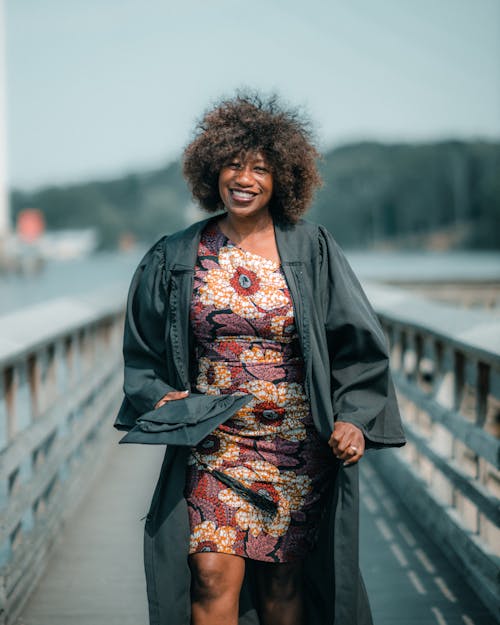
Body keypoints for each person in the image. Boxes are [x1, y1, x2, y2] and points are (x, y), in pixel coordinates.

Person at [114, 93, 405, 625]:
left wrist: (354, 419)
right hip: (213, 440)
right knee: (208, 573)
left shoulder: (310, 249)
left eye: (261, 168)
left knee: (281, 586)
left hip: (295, 443)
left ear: (282, 178)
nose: (244, 178)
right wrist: (161, 396)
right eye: (233, 164)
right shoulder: (178, 255)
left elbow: (357, 344)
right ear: (212, 169)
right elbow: (143, 347)